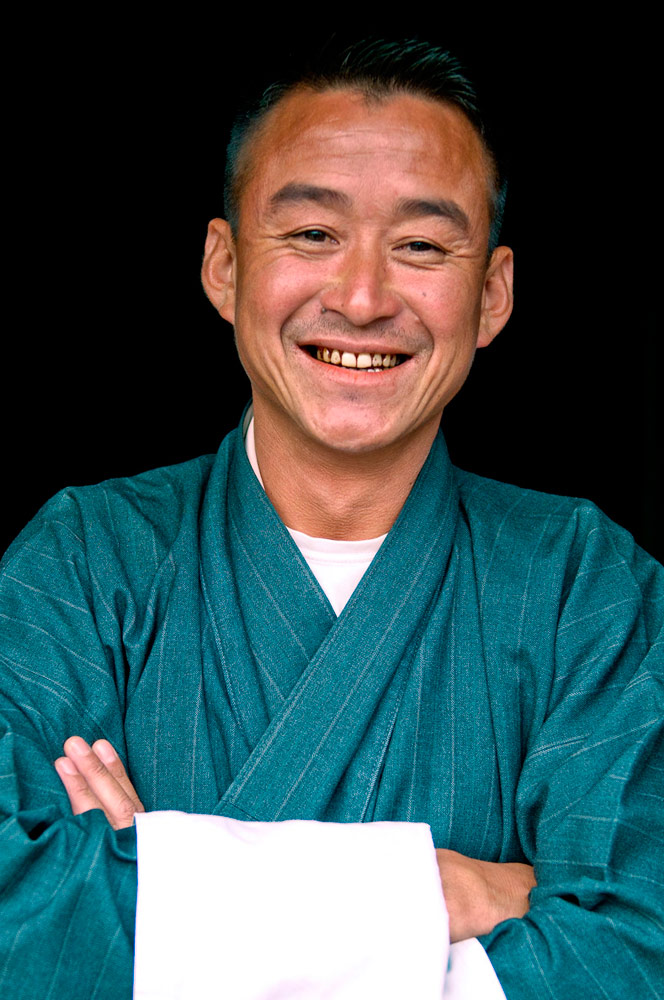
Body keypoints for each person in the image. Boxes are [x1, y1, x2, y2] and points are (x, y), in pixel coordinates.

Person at [1, 38, 662, 999]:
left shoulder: (584, 587)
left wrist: (163, 881)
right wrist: (429, 897)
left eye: (423, 246)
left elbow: (634, 952)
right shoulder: (82, 562)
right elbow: (17, 927)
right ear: (224, 268)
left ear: (494, 294)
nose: (360, 297)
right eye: (312, 234)